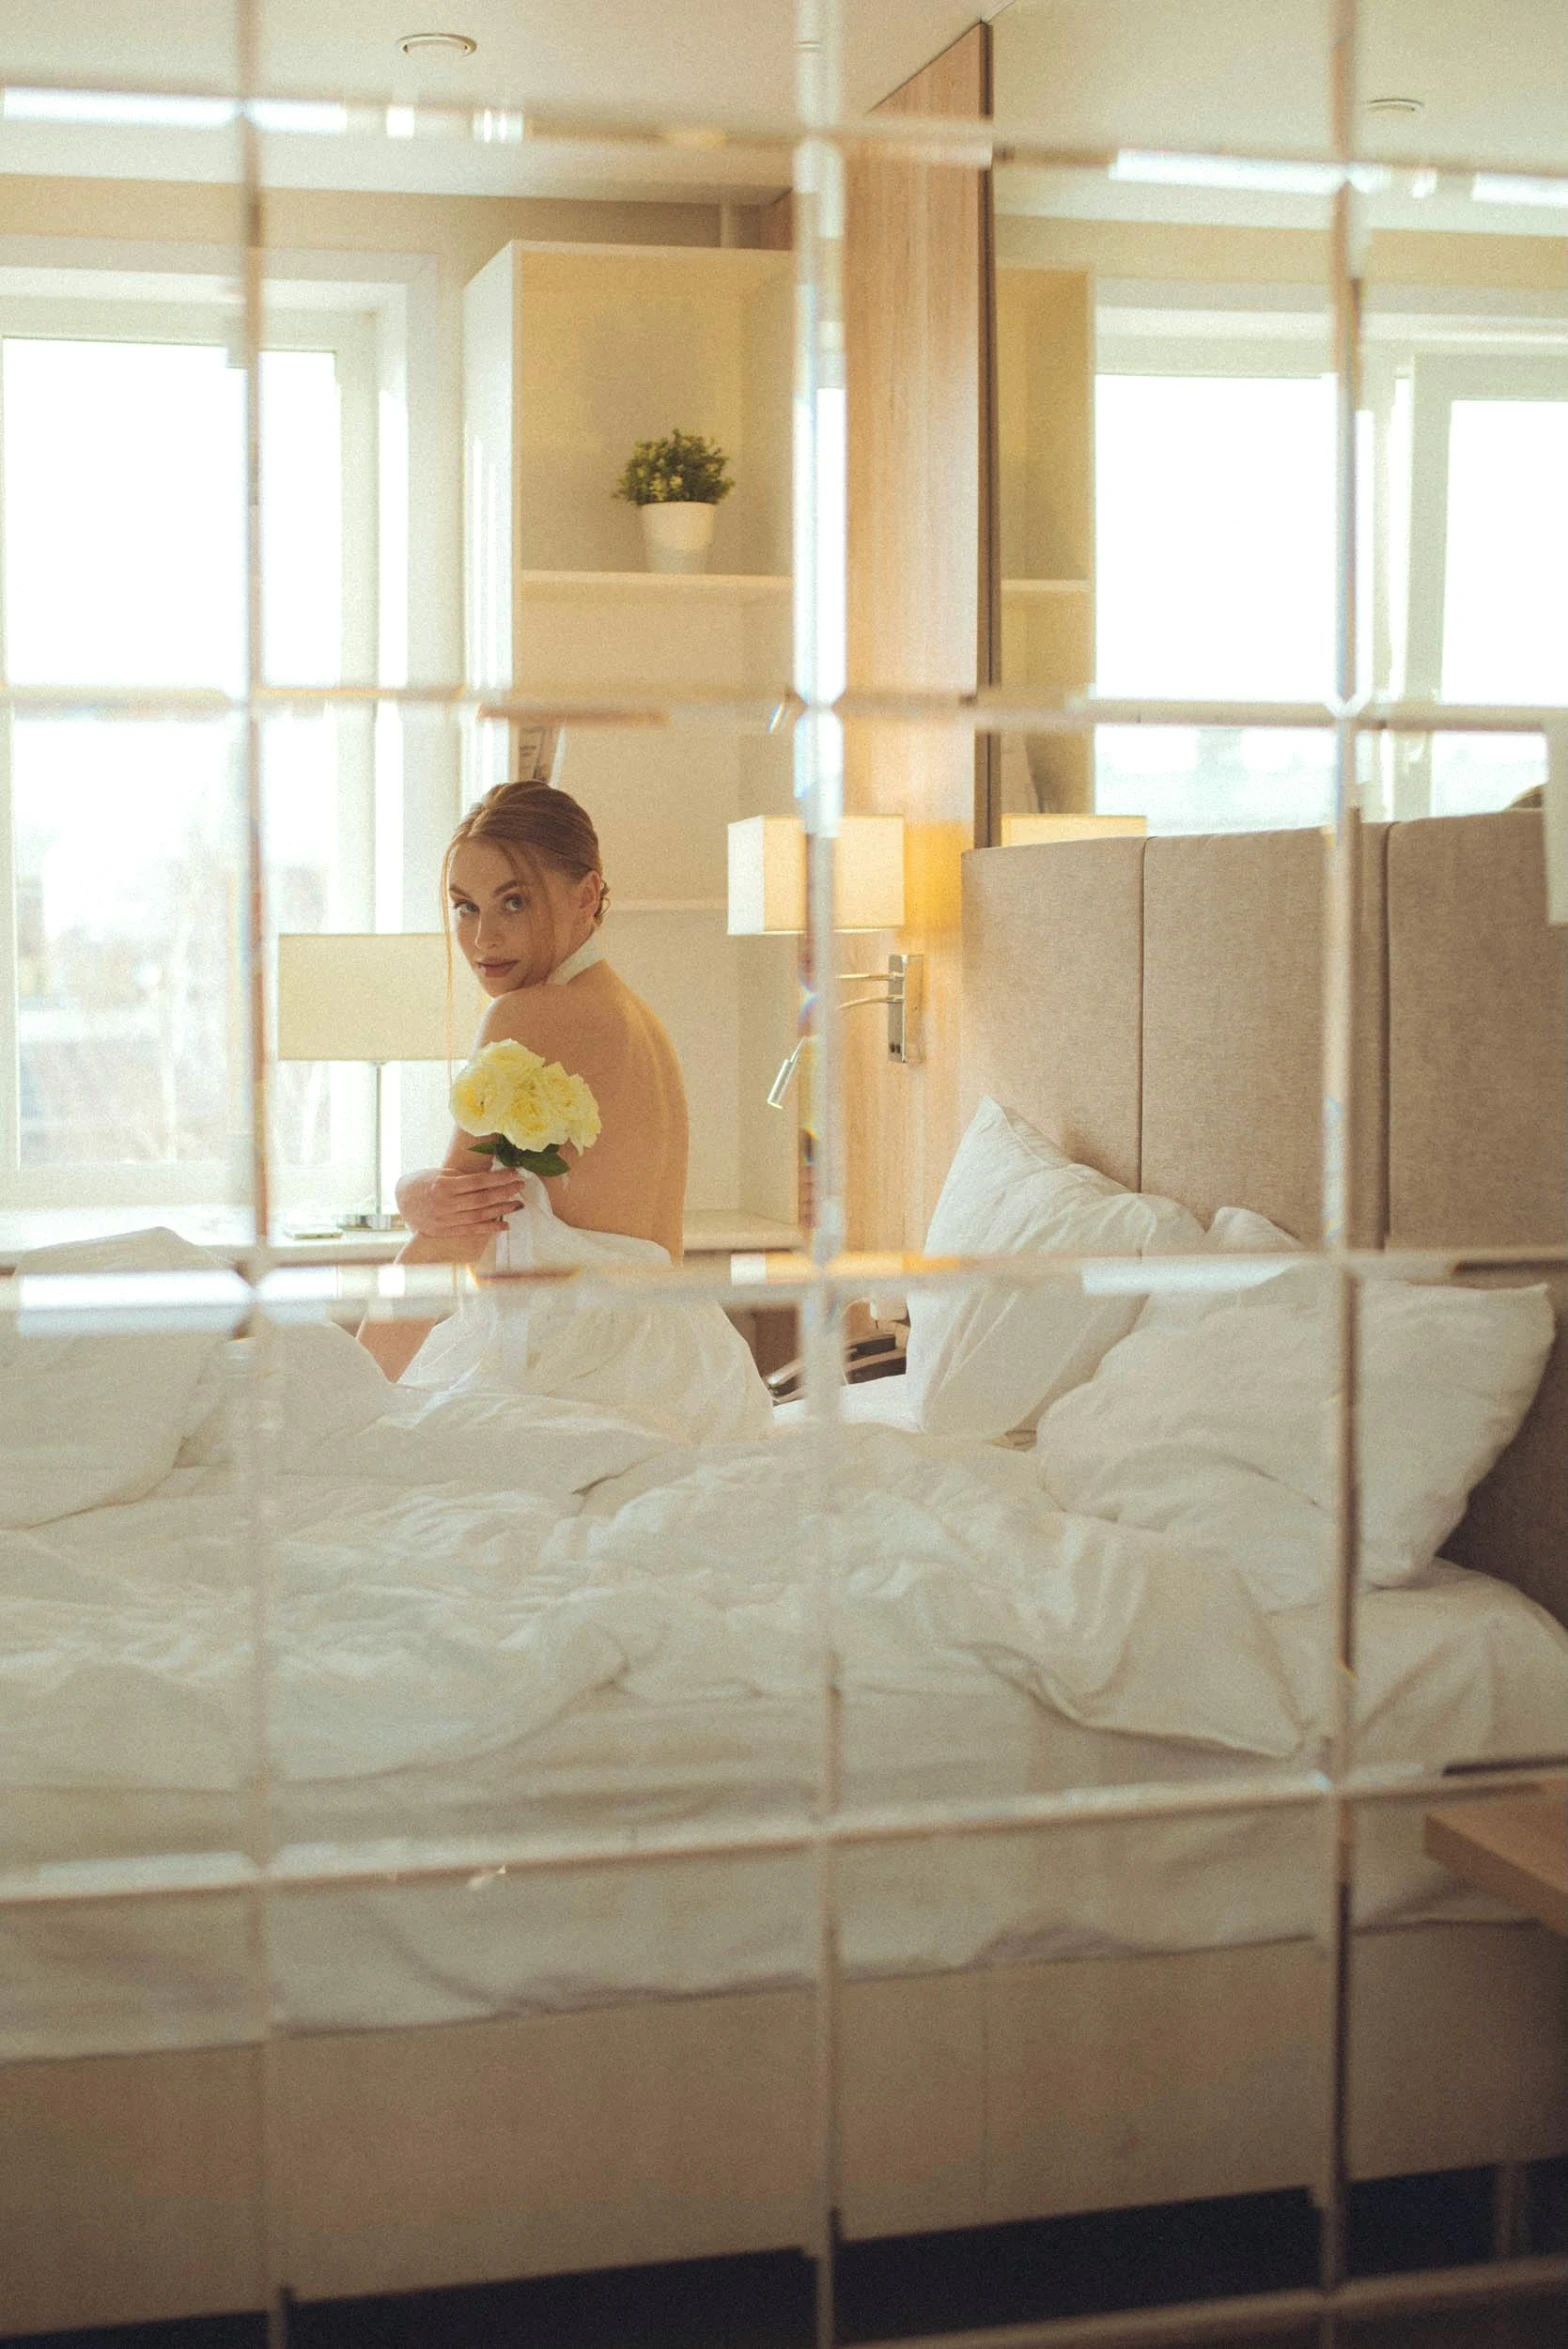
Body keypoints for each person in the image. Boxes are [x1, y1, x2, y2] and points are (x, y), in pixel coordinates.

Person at [356, 780, 690, 1382]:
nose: (483, 938)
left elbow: (448, 1233)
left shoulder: (526, 1015)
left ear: (586, 895)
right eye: (466, 906)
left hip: (574, 1359)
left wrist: (348, 1395)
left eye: (514, 902)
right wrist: (418, 1190)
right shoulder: (641, 1021)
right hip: (678, 1356)